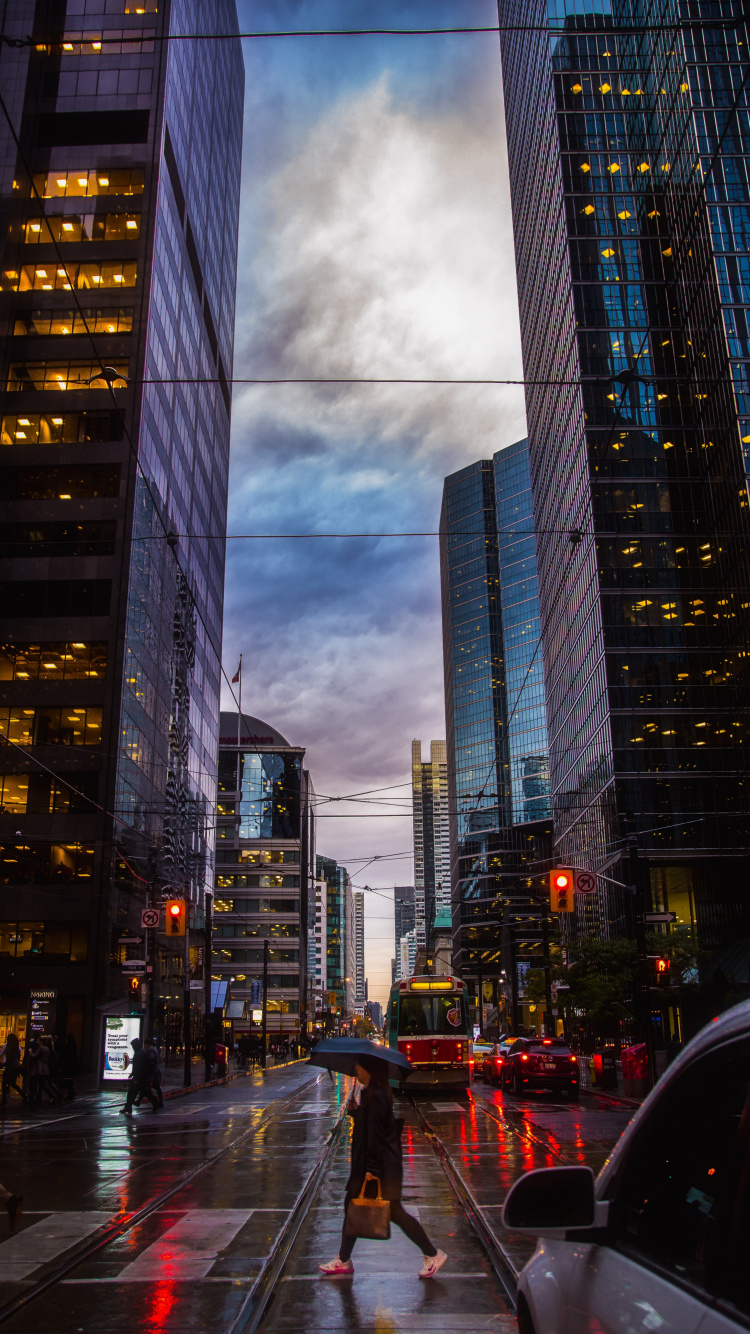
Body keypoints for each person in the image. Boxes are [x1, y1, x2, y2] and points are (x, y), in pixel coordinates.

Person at [319, 1054, 447, 1280]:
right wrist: (355, 1112)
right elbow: (371, 1126)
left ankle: (432, 1253)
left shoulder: (376, 1096)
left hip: (378, 1168)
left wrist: (372, 1170)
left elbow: (377, 1136)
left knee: (392, 1212)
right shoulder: (372, 1094)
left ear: (369, 1070)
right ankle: (343, 1259)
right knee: (354, 1205)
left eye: (359, 1066)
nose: (356, 1069)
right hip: (376, 1166)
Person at [119, 1038, 159, 1114]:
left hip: (139, 1078)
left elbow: (137, 1067)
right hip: (143, 1077)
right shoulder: (143, 1052)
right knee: (145, 1092)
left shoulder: (138, 1054)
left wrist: (135, 1077)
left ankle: (128, 1107)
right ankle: (156, 1104)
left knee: (132, 1092)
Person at [0, 1033, 26, 1107]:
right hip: (16, 1068)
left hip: (10, 1068)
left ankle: (4, 1100)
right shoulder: (17, 1048)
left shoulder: (8, 1048)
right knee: (13, 1083)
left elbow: (9, 1061)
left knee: (4, 1082)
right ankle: (23, 1095)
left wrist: (2, 1064)